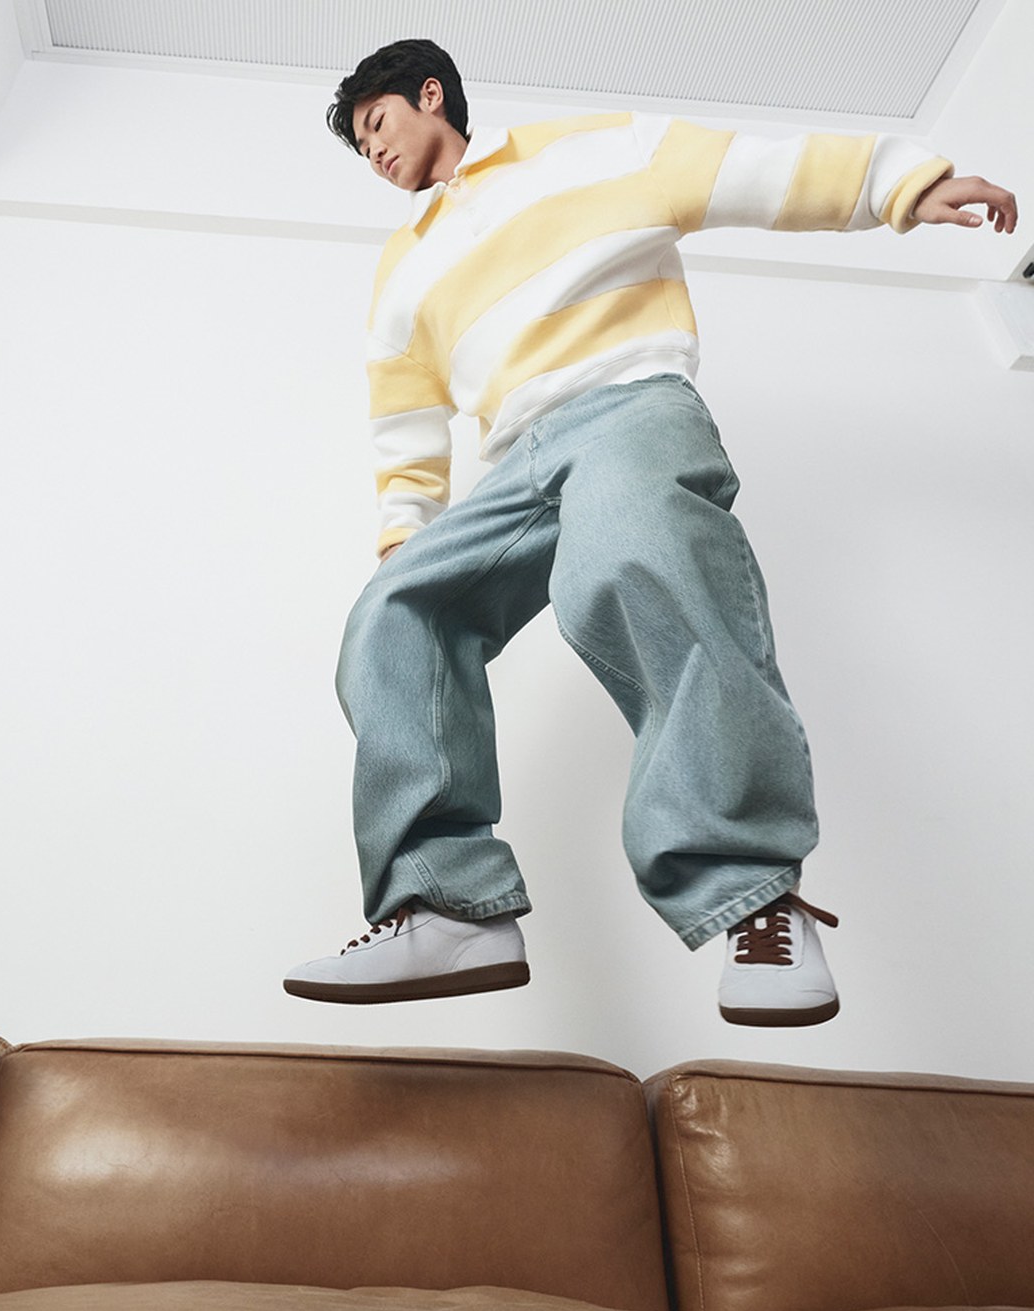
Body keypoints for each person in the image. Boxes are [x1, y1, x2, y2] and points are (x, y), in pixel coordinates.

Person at [284, 39, 1018, 1026]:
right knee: (392, 614)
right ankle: (449, 903)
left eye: (377, 125)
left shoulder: (580, 152)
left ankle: (756, 900)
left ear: (429, 96)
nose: (372, 152)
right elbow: (404, 424)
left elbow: (740, 167)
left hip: (627, 407)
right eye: (359, 146)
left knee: (632, 565)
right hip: (518, 463)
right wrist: (406, 539)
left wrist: (899, 182)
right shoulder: (402, 268)